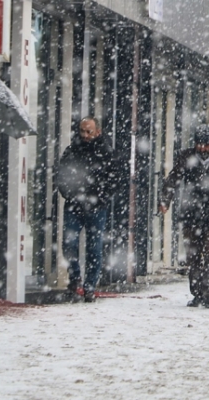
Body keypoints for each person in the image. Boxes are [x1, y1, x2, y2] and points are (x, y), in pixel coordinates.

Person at [159, 125, 209, 309]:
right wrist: (165, 200)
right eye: (199, 144)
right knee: (193, 256)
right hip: (191, 214)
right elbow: (173, 179)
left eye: (206, 145)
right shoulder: (186, 157)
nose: (202, 148)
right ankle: (197, 293)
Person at [57, 117, 121, 303]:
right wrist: (68, 193)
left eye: (89, 132)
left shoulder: (106, 152)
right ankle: (75, 277)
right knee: (69, 243)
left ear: (97, 132)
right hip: (74, 204)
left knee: (94, 247)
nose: (85, 135)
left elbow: (114, 178)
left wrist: (101, 198)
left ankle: (90, 286)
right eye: (82, 131)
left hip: (96, 207)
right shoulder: (72, 151)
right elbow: (61, 173)